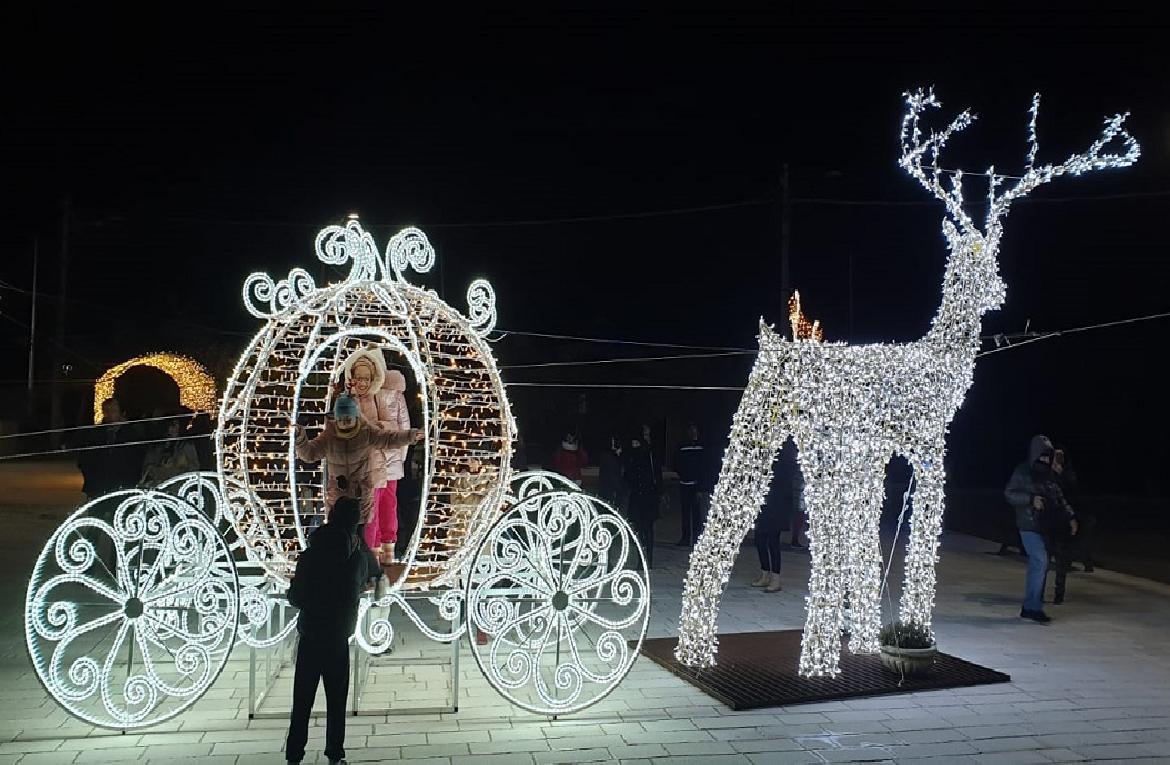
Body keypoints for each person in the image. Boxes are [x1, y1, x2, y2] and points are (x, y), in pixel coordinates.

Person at [294, 394, 423, 592]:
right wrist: (300, 438)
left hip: (360, 497)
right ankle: (353, 578)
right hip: (338, 499)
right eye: (341, 419)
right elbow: (309, 454)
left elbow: (389, 438)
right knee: (342, 540)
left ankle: (368, 578)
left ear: (355, 417)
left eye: (349, 419)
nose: (345, 423)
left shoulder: (365, 432)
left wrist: (412, 435)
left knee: (359, 540)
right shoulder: (329, 436)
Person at [284, 496, 365, 765]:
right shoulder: (356, 558)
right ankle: (335, 754)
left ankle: (294, 755)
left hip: (311, 634)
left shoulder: (310, 555)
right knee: (336, 702)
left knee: (302, 700)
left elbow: (297, 597)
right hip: (338, 637)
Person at [343, 349, 411, 565]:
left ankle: (376, 553)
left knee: (376, 506)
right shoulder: (384, 393)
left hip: (380, 460)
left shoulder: (381, 394)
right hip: (386, 459)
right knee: (384, 504)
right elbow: (404, 426)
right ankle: (384, 551)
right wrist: (401, 457)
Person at [1005, 435, 1078, 622]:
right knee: (1040, 559)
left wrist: (1070, 516)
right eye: (1043, 456)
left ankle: (1032, 604)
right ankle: (1032, 607)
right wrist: (1030, 500)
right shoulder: (1023, 471)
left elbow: (1058, 496)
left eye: (1048, 456)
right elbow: (1010, 494)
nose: (1046, 460)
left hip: (1046, 526)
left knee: (1040, 565)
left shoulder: (1048, 473)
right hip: (1028, 525)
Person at [76, 398, 145, 498]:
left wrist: (130, 481)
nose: (109, 414)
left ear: (121, 412)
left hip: (123, 487)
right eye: (107, 411)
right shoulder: (95, 434)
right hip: (99, 487)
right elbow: (84, 458)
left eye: (113, 410)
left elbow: (138, 459)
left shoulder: (132, 434)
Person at [1052, 442, 1094, 572]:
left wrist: (1060, 474)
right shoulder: (1046, 471)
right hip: (1055, 509)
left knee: (1083, 525)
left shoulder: (1069, 472)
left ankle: (1084, 560)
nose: (1058, 458)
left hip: (1071, 509)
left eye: (1060, 455)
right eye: (1056, 455)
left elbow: (1071, 489)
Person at [624, 429, 659, 567]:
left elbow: (655, 477)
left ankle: (646, 559)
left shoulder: (648, 456)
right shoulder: (635, 456)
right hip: (641, 498)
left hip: (646, 498)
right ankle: (644, 559)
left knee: (646, 529)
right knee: (641, 529)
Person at [139, 409, 200, 488]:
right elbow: (148, 467)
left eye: (177, 425)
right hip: (159, 488)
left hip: (179, 488)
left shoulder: (186, 445)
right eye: (171, 426)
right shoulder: (158, 446)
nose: (174, 429)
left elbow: (194, 469)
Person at [674, 423, 708, 547]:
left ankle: (696, 538)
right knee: (685, 513)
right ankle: (685, 537)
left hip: (696, 484)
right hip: (684, 483)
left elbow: (703, 467)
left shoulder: (701, 446)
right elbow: (676, 462)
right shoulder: (682, 446)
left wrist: (701, 485)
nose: (693, 432)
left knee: (696, 513)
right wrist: (681, 474)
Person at [597, 434, 626, 514]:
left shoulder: (609, 456)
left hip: (608, 489)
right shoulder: (611, 458)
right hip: (611, 490)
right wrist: (619, 489)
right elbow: (613, 475)